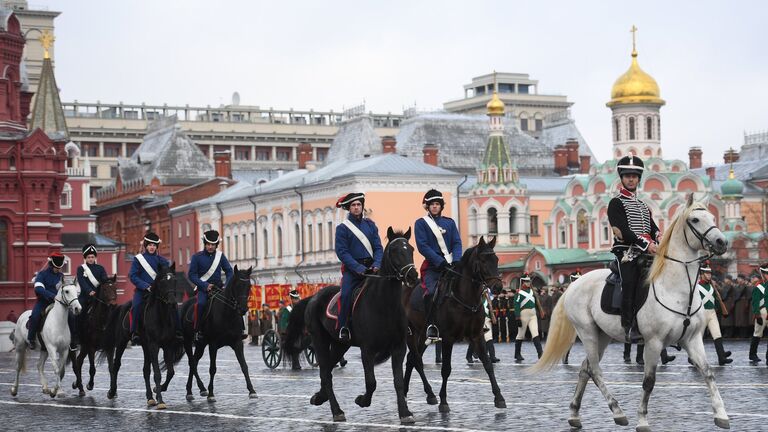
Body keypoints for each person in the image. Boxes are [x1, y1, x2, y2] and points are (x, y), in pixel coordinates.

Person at [607, 155, 660, 343]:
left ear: (639, 178)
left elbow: (652, 227)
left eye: (635, 176)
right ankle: (629, 326)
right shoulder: (616, 203)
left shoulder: (643, 205)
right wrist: (647, 244)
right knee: (630, 282)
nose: (631, 179)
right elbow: (623, 231)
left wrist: (660, 238)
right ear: (621, 177)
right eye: (627, 175)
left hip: (648, 251)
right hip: (626, 253)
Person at [334, 192, 383, 343]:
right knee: (346, 294)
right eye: (353, 205)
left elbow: (378, 248)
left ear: (362, 207)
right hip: (353, 271)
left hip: (372, 268)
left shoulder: (370, 225)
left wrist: (377, 264)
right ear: (349, 208)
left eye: (359, 205)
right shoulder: (343, 228)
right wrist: (357, 267)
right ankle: (344, 327)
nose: (356, 207)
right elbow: (342, 252)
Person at [414, 189, 462, 342]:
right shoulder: (421, 223)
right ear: (427, 207)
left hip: (451, 265)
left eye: (437, 204)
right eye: (432, 204)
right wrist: (439, 261)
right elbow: (423, 246)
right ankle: (431, 325)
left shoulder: (450, 222)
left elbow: (456, 242)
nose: (435, 207)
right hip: (433, 267)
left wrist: (456, 260)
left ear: (441, 206)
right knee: (431, 292)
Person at [129, 232, 177, 345]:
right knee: (135, 306)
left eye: (154, 245)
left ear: (157, 247)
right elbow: (133, 276)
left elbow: (167, 276)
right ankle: (134, 332)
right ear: (146, 246)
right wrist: (145, 286)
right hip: (143, 291)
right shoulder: (138, 259)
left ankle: (178, 331)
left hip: (160, 292)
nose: (152, 247)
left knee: (173, 305)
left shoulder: (163, 261)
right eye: (150, 245)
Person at [187, 230, 234, 342]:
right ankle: (198, 331)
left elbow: (229, 271)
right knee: (201, 304)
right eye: (208, 244)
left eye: (213, 245)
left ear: (216, 245)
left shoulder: (220, 256)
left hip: (218, 288)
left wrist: (226, 285)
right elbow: (192, 275)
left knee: (233, 303)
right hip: (203, 289)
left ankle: (239, 330)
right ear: (205, 244)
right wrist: (204, 285)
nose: (210, 247)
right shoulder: (196, 257)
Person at [27, 252, 66, 350]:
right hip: (43, 302)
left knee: (71, 316)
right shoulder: (42, 274)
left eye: (59, 267)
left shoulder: (61, 276)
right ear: (51, 265)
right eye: (56, 267)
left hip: (57, 303)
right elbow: (38, 289)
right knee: (35, 316)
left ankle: (72, 339)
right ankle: (31, 338)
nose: (58, 269)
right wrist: (52, 296)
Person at [696, 261, 732, 365]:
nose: (709, 275)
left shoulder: (712, 286)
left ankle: (721, 358)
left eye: (710, 273)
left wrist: (721, 310)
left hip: (712, 313)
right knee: (699, 337)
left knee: (717, 334)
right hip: (701, 314)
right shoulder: (697, 287)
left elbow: (716, 300)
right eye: (707, 273)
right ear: (702, 274)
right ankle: (693, 358)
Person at [74, 243, 109, 350]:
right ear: (85, 258)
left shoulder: (101, 268)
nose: (90, 259)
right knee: (79, 313)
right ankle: (77, 337)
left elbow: (104, 280)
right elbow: (82, 281)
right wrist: (89, 291)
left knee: (109, 312)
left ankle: (106, 336)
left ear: (95, 257)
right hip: (85, 297)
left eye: (92, 257)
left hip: (98, 297)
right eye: (88, 257)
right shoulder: (81, 268)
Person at [514, 273, 544, 362]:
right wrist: (518, 317)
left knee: (535, 333)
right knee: (521, 335)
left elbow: (536, 303)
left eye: (529, 281)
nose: (528, 282)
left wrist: (541, 312)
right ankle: (517, 353)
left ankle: (540, 353)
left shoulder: (532, 291)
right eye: (526, 281)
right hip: (523, 315)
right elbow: (516, 305)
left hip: (533, 314)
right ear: (522, 282)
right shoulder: (519, 292)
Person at [749, 264, 768, 363]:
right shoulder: (758, 287)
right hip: (761, 311)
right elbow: (755, 302)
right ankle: (752, 355)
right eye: (766, 274)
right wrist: (757, 315)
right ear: (763, 275)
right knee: (757, 334)